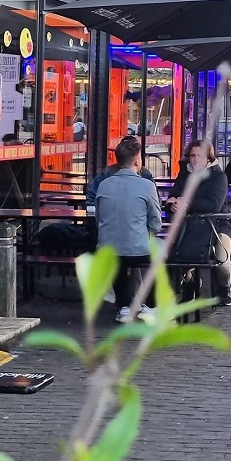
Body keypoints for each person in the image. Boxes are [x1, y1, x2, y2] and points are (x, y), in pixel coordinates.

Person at [96, 136, 162, 322]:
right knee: (161, 252)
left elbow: (99, 219)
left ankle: (124, 306)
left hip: (107, 250)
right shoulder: (147, 186)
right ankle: (151, 306)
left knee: (117, 255)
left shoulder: (103, 185)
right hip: (138, 249)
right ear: (137, 160)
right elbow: (156, 222)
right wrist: (144, 234)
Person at [166, 140, 231, 306]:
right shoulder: (185, 174)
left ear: (208, 158)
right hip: (190, 226)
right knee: (177, 258)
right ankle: (189, 284)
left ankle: (225, 288)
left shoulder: (219, 176)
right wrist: (172, 205)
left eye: (199, 156)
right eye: (192, 155)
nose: (195, 159)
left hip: (217, 225)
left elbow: (214, 205)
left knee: (223, 261)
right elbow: (173, 196)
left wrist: (185, 204)